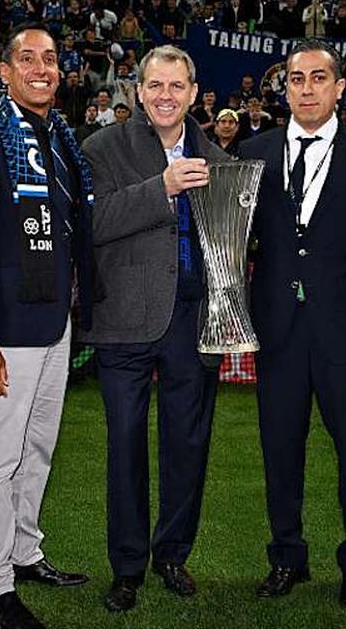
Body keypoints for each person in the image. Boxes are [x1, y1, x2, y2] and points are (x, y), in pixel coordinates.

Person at [238, 39, 346, 608]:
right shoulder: (253, 152)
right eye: (296, 78)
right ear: (284, 88)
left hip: (345, 330)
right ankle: (286, 557)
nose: (306, 88)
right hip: (277, 328)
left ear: (339, 87)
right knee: (280, 449)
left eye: (318, 78)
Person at [0, 23, 93, 629]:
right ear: (4, 73)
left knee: (38, 447)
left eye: (51, 59)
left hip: (56, 319)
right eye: (28, 59)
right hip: (8, 328)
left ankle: (25, 551)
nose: (43, 68)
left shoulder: (61, 136)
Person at [80, 45, 230, 613]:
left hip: (193, 322)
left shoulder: (217, 154)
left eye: (177, 86)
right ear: (138, 91)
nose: (166, 96)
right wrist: (161, 188)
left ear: (194, 93)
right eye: (155, 85)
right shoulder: (102, 147)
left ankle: (172, 554)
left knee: (187, 446)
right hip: (124, 324)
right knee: (125, 447)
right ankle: (126, 566)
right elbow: (90, 225)